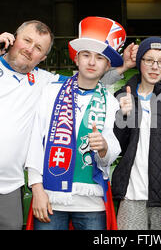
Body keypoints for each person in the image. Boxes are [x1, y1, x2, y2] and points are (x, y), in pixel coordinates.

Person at [0, 19, 134, 230]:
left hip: (8, 189)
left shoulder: (45, 81)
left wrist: (121, 67)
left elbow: (87, 82)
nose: (30, 49)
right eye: (27, 40)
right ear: (12, 39)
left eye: (38, 47)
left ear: (43, 57)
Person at [25, 16, 124, 230]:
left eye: (99, 58)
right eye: (86, 55)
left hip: (91, 200)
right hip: (50, 197)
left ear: (107, 65)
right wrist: (37, 188)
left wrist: (104, 147)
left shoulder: (110, 102)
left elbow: (110, 154)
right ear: (76, 59)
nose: (91, 62)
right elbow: (35, 140)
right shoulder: (51, 91)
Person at [112, 37, 161, 230]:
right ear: (140, 63)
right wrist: (122, 116)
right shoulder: (123, 94)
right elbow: (116, 148)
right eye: (149, 60)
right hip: (130, 195)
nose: (155, 67)